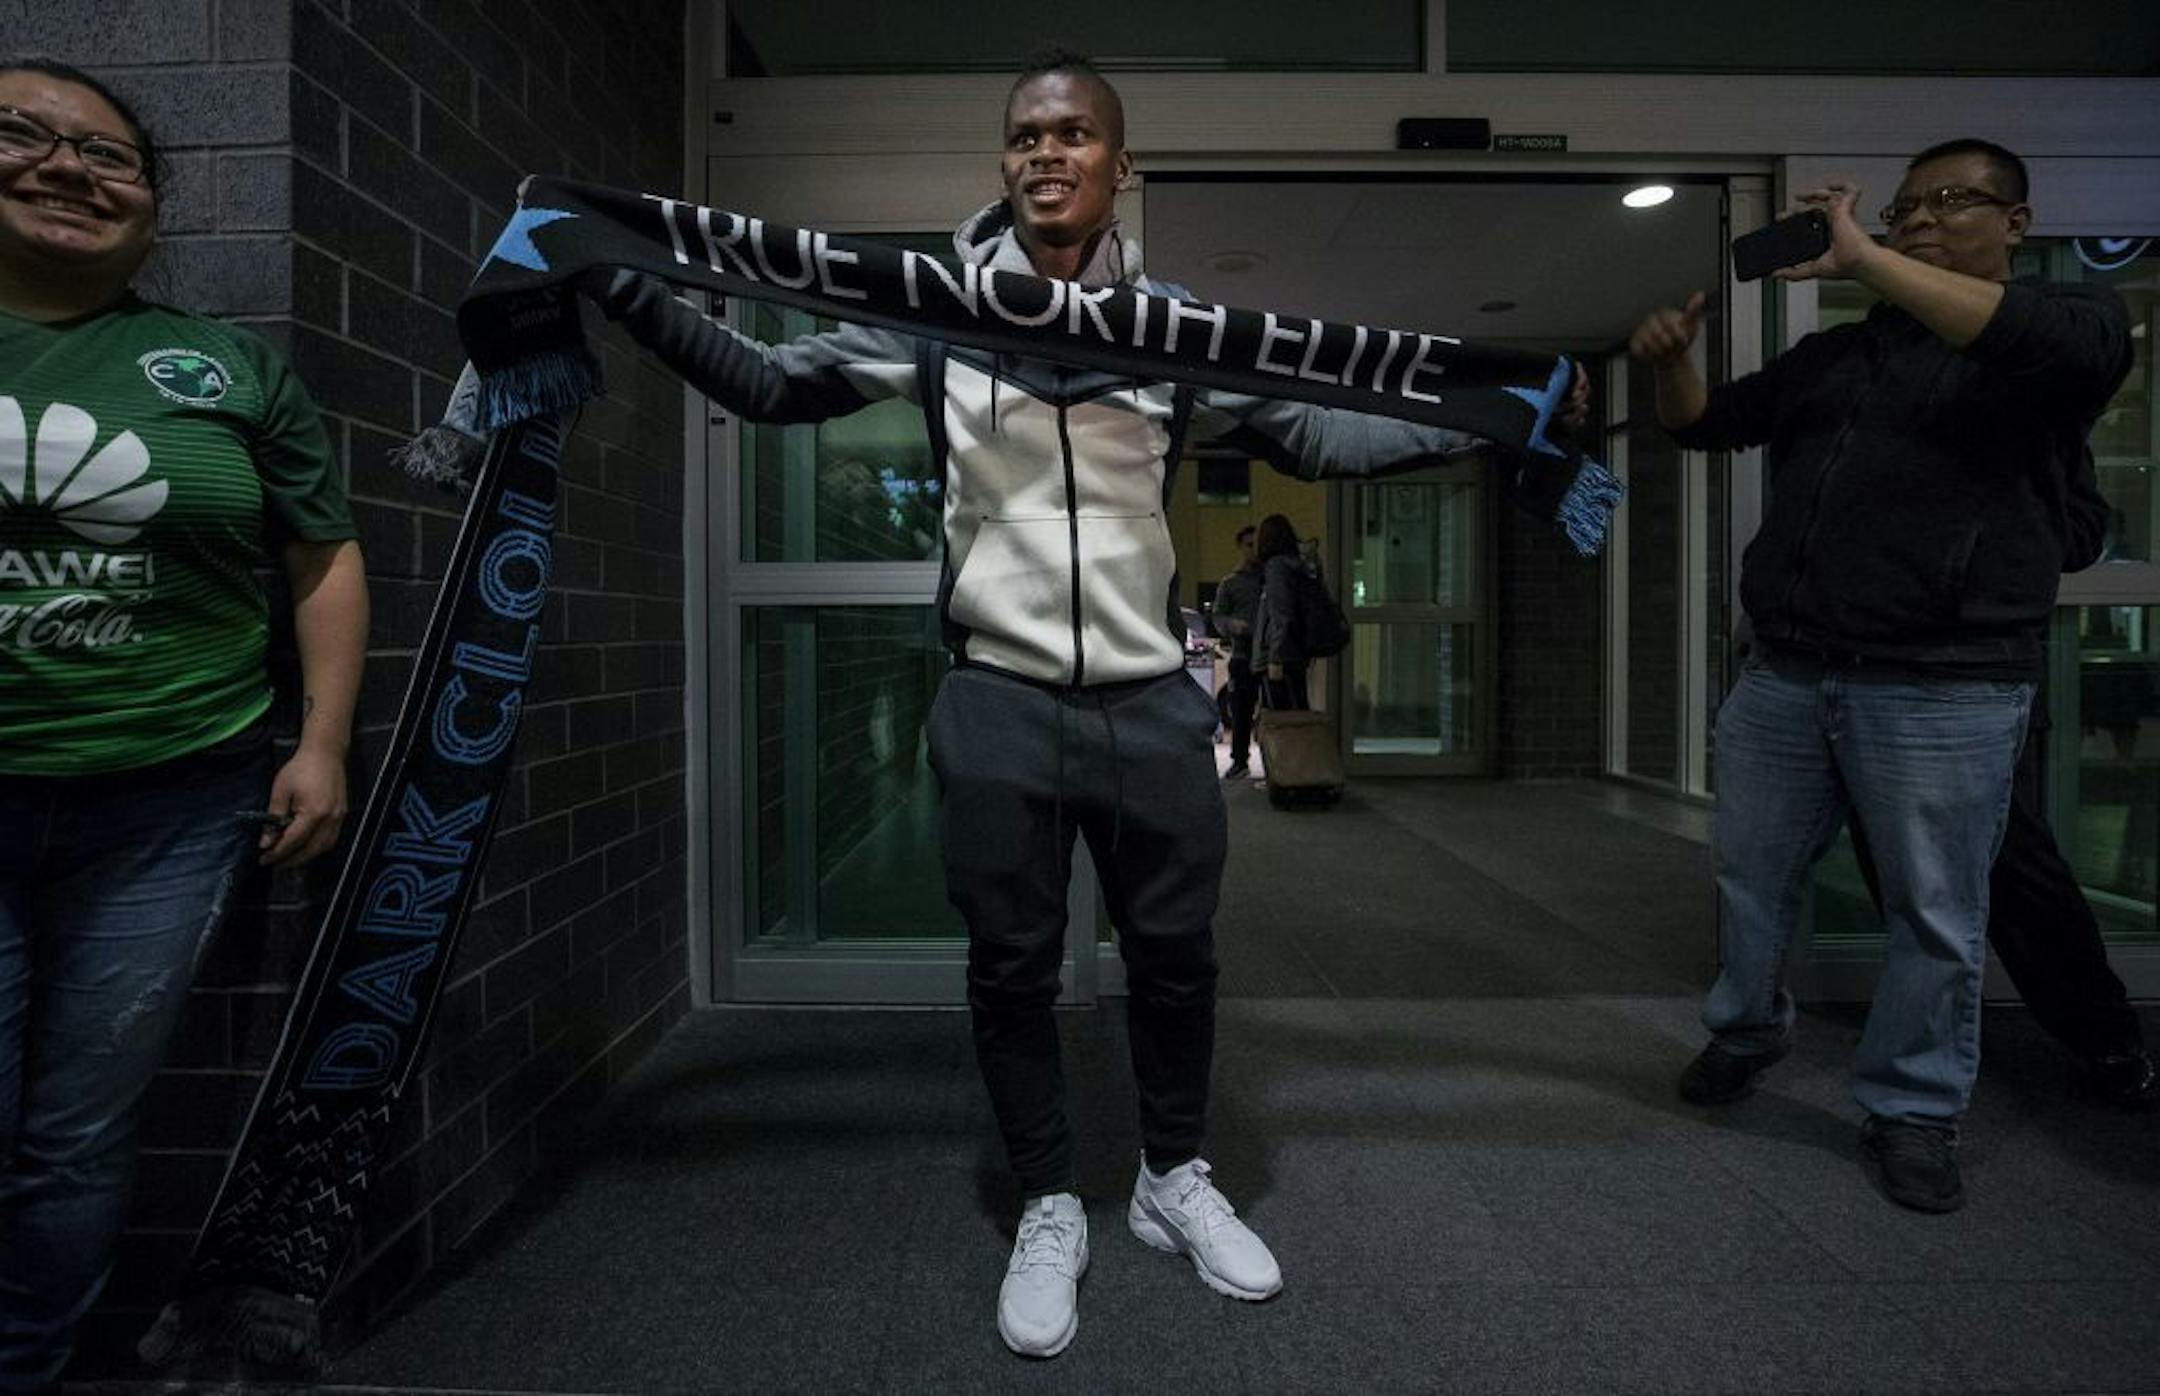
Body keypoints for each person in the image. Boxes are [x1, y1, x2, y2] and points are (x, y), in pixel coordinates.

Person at [582, 49, 1585, 1356]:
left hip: (1152, 704)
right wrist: (617, 280)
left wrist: (1486, 419)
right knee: (1010, 968)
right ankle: (1050, 1200)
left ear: (1121, 163)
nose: (1045, 153)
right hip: (998, 701)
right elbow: (768, 382)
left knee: (1177, 959)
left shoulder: (1176, 332)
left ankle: (1172, 1177)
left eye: (1072, 134)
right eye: (1024, 136)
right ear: (1004, 163)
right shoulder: (934, 314)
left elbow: (1319, 429)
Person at [1630, 138, 2131, 1213]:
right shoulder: (1841, 359)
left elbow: (2016, 334)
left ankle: (1913, 1108)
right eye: (1907, 207)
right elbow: (1706, 426)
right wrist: (1672, 361)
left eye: (1952, 201)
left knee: (1934, 912)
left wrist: (1864, 258)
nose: (1923, 218)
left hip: (1944, 685)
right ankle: (1748, 1031)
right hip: (1788, 674)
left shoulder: (2070, 331)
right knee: (1752, 879)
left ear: (2016, 223)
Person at [0, 59, 367, 1389]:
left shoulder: (227, 368)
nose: (68, 167)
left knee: (76, 1135)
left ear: (154, 207)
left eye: (108, 155)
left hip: (170, 802)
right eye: (24, 135)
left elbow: (321, 555)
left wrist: (319, 742)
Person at [1211, 524, 1263, 778]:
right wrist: (1233, 626)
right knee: (1241, 712)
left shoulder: (1271, 578)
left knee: (1276, 713)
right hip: (1243, 655)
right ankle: (1240, 761)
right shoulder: (1231, 583)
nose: (1254, 550)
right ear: (1240, 547)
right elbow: (1218, 617)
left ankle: (1280, 762)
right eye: (1249, 545)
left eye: (1257, 545)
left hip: (1271, 655)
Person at [1254, 514, 1313, 711]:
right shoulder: (1298, 566)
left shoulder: (1277, 567)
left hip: (1281, 658)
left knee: (1282, 718)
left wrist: (1275, 657)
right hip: (1297, 653)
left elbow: (1281, 615)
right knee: (1297, 712)